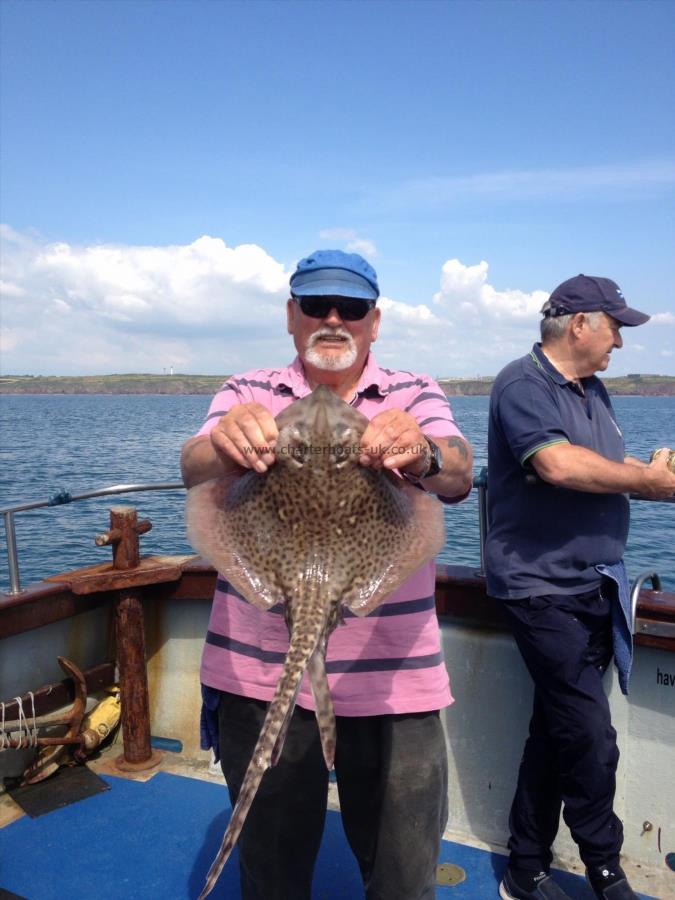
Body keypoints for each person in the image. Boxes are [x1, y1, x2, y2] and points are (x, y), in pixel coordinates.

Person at [181, 249, 473, 900]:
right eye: (316, 305)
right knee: (272, 875)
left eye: (352, 308)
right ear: (292, 315)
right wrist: (223, 440)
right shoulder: (246, 390)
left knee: (403, 879)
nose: (333, 318)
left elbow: (456, 472)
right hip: (257, 676)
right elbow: (192, 465)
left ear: (374, 321)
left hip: (395, 683)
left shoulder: (414, 392)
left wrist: (422, 451)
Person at [485, 274, 675, 900]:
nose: (621, 340)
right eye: (616, 325)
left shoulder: (593, 392)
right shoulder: (523, 383)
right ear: (579, 324)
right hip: (539, 588)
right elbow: (557, 464)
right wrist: (647, 483)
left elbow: (599, 469)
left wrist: (645, 471)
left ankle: (525, 862)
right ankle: (605, 866)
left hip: (593, 585)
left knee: (558, 730)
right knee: (590, 734)